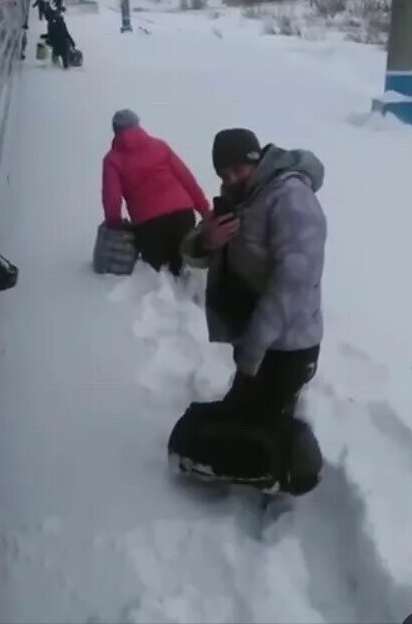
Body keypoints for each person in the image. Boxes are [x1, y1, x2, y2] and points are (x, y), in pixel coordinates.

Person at [175, 128, 327, 491]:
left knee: (262, 423)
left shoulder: (290, 198)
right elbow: (193, 249)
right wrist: (207, 240)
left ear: (255, 160)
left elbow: (294, 280)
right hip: (254, 336)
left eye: (238, 170)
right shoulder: (241, 196)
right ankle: (259, 454)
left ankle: (289, 472)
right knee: (242, 411)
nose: (231, 180)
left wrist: (255, 346)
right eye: (224, 175)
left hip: (287, 342)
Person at [102, 109, 210, 276]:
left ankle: (166, 298)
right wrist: (204, 209)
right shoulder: (160, 146)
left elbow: (112, 197)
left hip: (149, 224)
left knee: (158, 273)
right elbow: (186, 179)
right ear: (137, 125)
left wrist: (114, 222)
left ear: (115, 130)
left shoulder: (113, 159)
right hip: (183, 214)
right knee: (184, 265)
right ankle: (189, 296)